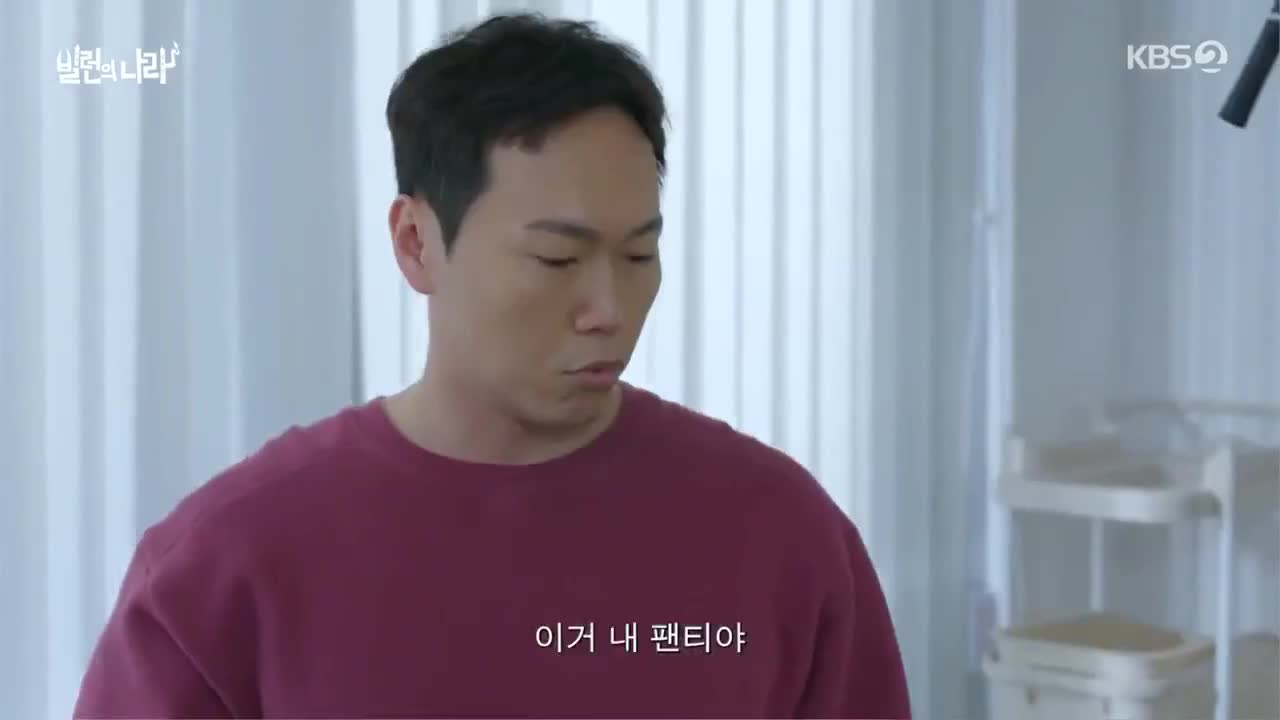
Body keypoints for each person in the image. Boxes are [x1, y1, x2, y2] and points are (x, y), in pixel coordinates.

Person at [73, 13, 911, 719]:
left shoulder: (779, 537)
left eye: (638, 255)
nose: (610, 308)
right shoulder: (228, 565)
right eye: (557, 260)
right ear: (416, 243)